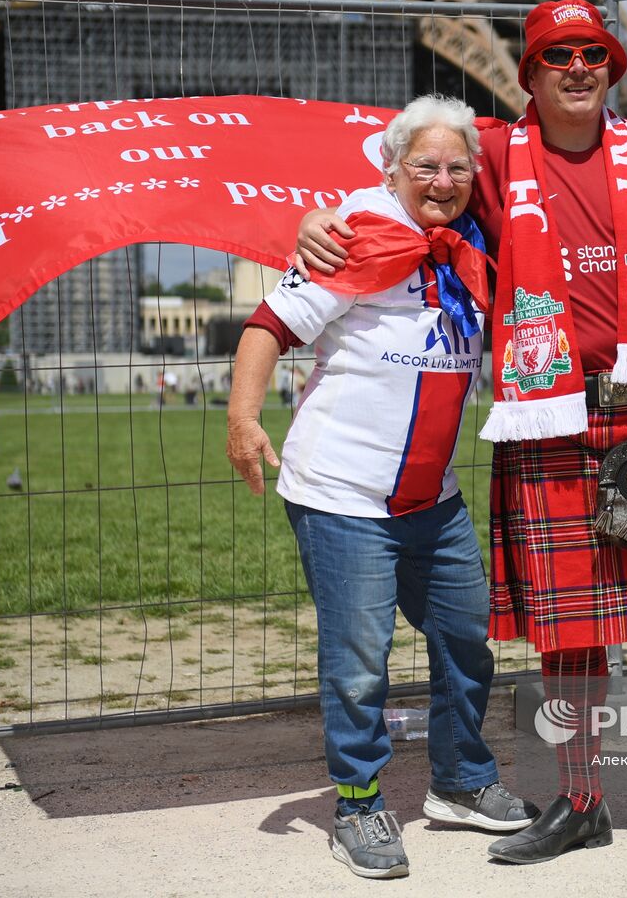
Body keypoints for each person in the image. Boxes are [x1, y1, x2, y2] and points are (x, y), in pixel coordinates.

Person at [295, 0, 627, 864]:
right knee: (573, 622)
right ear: (530, 72)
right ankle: (581, 798)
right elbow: (405, 163)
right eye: (559, 55)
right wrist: (319, 217)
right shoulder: (497, 151)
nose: (578, 66)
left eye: (594, 52)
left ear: (613, 67)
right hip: (551, 412)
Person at [226, 95, 536, 880]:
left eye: (457, 167)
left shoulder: (475, 242)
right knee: (359, 661)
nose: (442, 179)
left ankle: (460, 781)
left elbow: (538, 147)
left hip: (433, 497)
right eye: (424, 165)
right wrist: (242, 417)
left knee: (467, 638)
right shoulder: (355, 235)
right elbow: (268, 322)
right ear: (391, 167)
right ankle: (358, 805)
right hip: (341, 492)